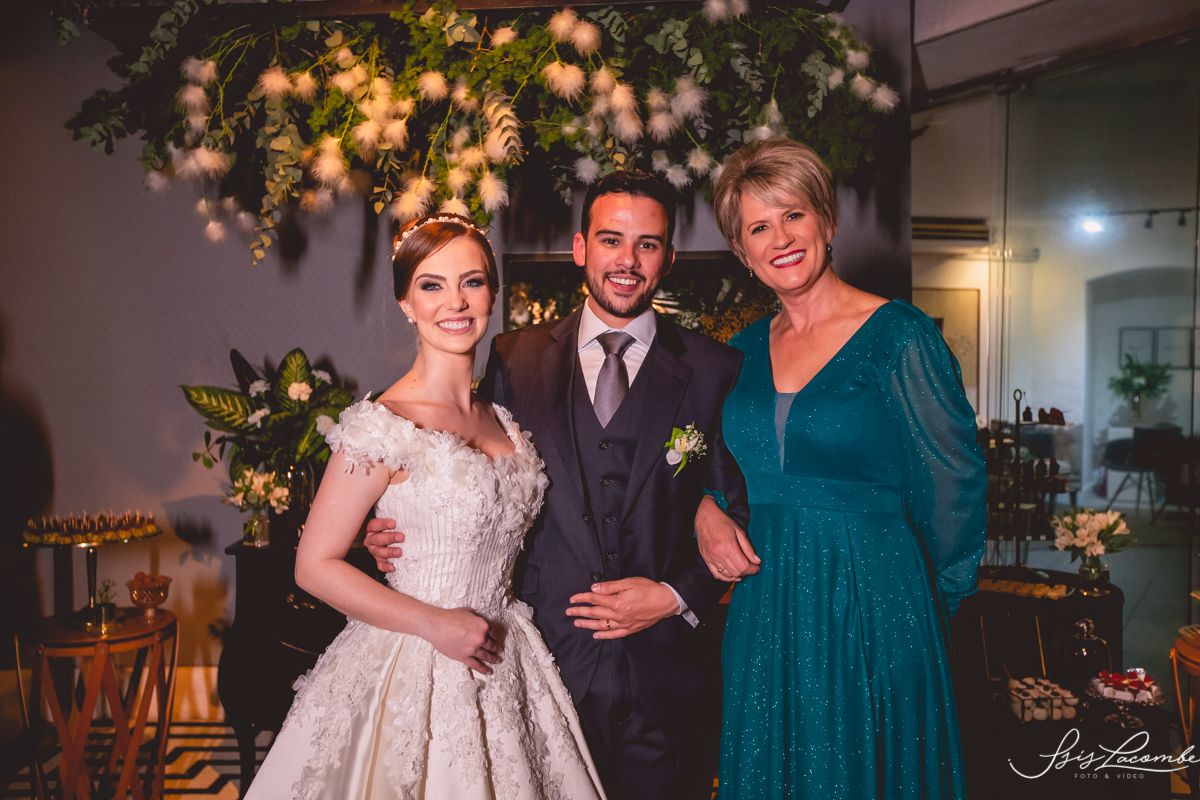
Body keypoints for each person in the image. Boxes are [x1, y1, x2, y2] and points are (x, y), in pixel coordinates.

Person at [365, 171, 751, 800]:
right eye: (610, 240)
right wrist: (397, 528)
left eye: (648, 244)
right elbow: (471, 474)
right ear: (580, 248)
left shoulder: (716, 369)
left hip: (667, 673)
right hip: (545, 665)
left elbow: (746, 508)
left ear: (669, 258)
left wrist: (675, 594)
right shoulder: (513, 359)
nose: (627, 261)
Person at [244, 214, 605, 800]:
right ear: (405, 302)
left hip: (507, 655)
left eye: (472, 282)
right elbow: (312, 565)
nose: (455, 302)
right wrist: (434, 623)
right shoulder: (382, 425)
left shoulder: (502, 420)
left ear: (492, 294)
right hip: (411, 659)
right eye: (431, 285)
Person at [695, 138, 986, 799]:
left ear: (826, 221)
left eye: (793, 215)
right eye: (758, 228)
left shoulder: (900, 335)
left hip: (874, 603)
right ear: (742, 251)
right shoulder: (738, 354)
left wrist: (927, 608)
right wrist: (705, 508)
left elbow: (954, 483)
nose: (780, 239)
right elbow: (715, 470)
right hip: (766, 609)